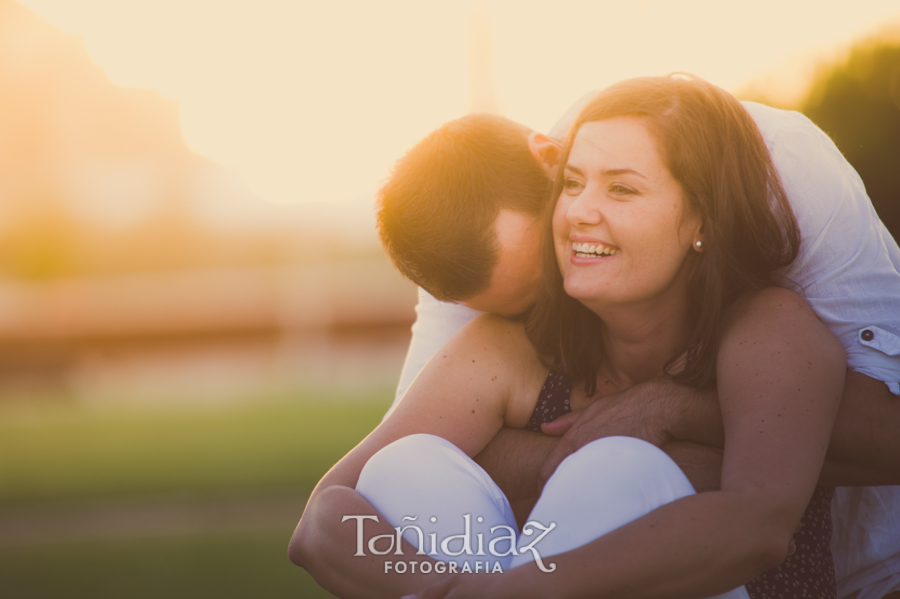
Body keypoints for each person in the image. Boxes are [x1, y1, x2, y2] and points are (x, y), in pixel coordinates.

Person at [290, 75, 849, 598]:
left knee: (615, 469)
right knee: (405, 465)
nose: (582, 210)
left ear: (701, 218)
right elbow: (321, 520)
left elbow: (759, 527)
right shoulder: (515, 346)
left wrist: (513, 589)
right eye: (574, 185)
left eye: (623, 190)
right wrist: (446, 587)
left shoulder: (768, 327)